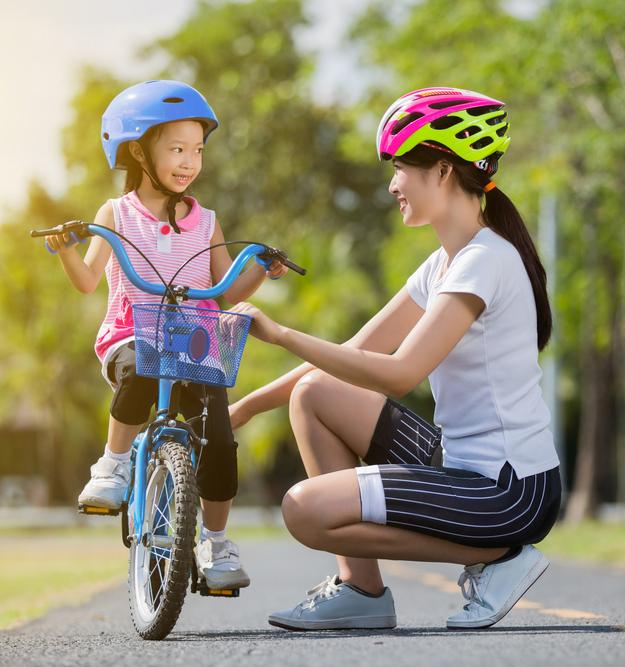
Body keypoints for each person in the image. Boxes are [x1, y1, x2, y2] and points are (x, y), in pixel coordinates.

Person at [229, 86, 561, 630]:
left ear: (444, 170)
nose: (392, 184)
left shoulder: (485, 261)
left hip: (507, 491)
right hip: (461, 465)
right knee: (314, 395)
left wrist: (283, 333)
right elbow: (356, 352)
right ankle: (362, 590)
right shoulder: (444, 265)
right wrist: (242, 410)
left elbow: (402, 372)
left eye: (400, 168)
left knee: (304, 509)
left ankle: (498, 558)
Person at [44, 80, 287, 591]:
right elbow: (89, 281)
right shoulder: (117, 214)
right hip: (132, 337)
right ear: (138, 150)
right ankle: (111, 466)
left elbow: (225, 290)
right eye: (176, 149)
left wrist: (261, 268)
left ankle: (216, 543)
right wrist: (67, 247)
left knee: (220, 441)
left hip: (195, 347)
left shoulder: (208, 222)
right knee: (141, 363)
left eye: (197, 150)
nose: (189, 162)